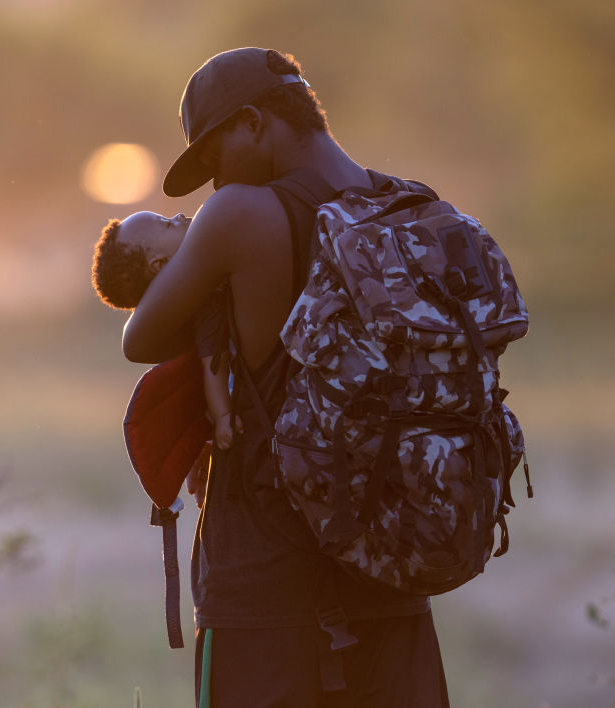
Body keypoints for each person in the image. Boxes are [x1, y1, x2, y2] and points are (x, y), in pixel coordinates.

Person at [122, 48, 450, 707]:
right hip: (390, 578)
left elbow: (141, 338)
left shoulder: (241, 214)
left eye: (213, 156)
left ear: (251, 122)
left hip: (265, 593)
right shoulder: (411, 210)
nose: (214, 182)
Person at [92, 211, 232, 503]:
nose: (180, 215)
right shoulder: (204, 299)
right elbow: (213, 365)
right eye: (168, 223)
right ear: (160, 265)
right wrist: (223, 417)